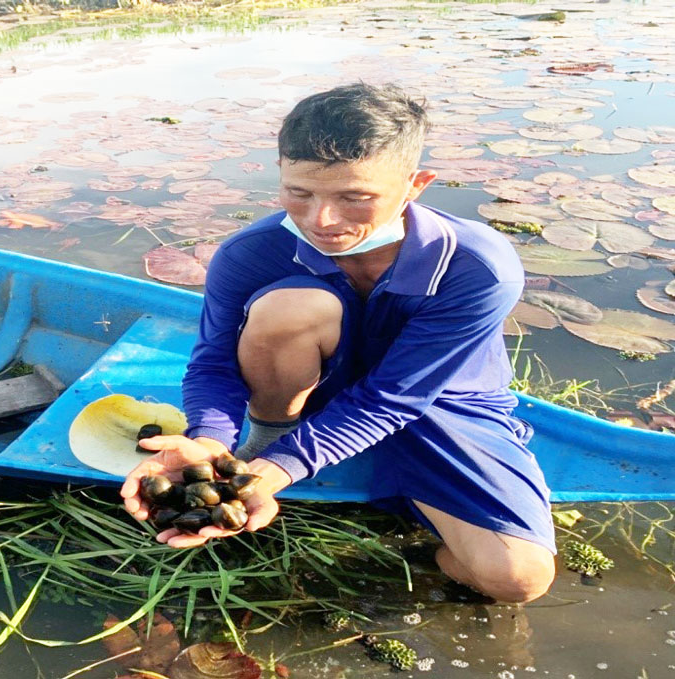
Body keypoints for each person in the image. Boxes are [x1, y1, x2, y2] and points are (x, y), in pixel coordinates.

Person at [120, 82, 556, 604]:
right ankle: (263, 438)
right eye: (299, 193)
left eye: (355, 197)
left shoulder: (477, 267)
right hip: (309, 389)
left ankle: (410, 515)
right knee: (291, 309)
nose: (321, 221)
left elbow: (394, 397)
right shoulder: (248, 254)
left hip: (438, 404)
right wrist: (213, 442)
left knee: (519, 580)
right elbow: (213, 363)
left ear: (416, 184)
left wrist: (281, 472)